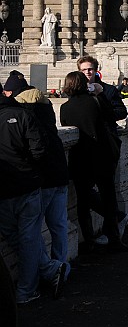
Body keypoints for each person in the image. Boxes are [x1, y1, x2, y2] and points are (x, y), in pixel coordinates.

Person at [0, 75, 68, 304]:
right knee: (32, 235)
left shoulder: (20, 113)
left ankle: (42, 276)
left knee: (14, 235)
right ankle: (34, 283)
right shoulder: (23, 115)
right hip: (29, 185)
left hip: (4, 189)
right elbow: (39, 151)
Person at [59, 71, 128, 253]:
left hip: (79, 159)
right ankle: (115, 240)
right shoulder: (95, 101)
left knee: (83, 204)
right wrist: (100, 94)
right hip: (101, 156)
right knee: (108, 198)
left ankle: (89, 242)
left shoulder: (65, 107)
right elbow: (111, 117)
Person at [12, 78, 71, 277]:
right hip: (60, 173)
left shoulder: (23, 115)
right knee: (59, 224)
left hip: (43, 179)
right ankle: (61, 264)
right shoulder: (46, 109)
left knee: (32, 229)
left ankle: (48, 269)